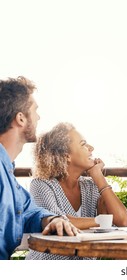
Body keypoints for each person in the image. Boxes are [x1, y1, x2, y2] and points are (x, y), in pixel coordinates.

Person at [0, 76, 78, 260]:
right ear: (20, 118)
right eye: (35, 110)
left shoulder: (7, 173)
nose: (38, 117)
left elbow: (28, 210)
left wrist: (52, 219)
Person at [26, 122, 127, 260]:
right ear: (66, 155)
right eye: (83, 144)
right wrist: (101, 221)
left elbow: (122, 220)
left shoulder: (91, 186)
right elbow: (57, 222)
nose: (91, 148)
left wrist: (98, 176)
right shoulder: (42, 184)